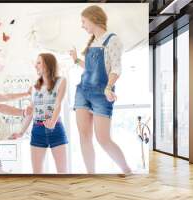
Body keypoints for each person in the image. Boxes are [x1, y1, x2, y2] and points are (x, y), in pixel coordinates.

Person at [70, 5, 131, 174]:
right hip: (82, 92)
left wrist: (109, 87)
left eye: (83, 21)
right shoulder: (92, 43)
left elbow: (116, 69)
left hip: (101, 94)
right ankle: (91, 174)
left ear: (93, 18)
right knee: (84, 136)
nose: (82, 26)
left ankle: (127, 170)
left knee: (103, 139)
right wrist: (76, 60)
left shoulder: (113, 40)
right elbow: (90, 69)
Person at [11, 53, 68, 174]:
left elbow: (58, 104)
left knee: (63, 174)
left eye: (38, 62)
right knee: (37, 174)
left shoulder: (61, 81)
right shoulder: (34, 87)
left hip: (56, 128)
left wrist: (52, 121)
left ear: (47, 64)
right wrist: (21, 131)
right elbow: (31, 112)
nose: (35, 65)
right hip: (37, 130)